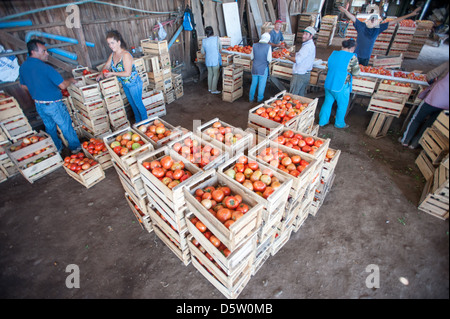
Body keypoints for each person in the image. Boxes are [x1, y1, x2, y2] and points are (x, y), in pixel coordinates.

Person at [19, 39, 81, 154]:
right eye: (44, 51)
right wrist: (71, 80)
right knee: (65, 126)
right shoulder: (45, 68)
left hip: (39, 104)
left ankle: (57, 149)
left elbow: (23, 86)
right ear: (33, 52)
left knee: (50, 128)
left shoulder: (23, 67)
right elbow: (62, 86)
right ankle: (76, 149)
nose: (47, 54)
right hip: (54, 104)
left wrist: (37, 90)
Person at [338, 6, 422, 66]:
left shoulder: (377, 29)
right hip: (355, 55)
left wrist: (410, 15)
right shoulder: (361, 26)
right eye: (371, 19)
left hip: (366, 57)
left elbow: (395, 21)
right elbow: (353, 18)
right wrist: (345, 11)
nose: (373, 21)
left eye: (375, 20)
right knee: (351, 70)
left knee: (361, 72)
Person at [97, 30, 147, 123]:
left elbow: (127, 73)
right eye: (109, 44)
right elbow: (107, 65)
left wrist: (112, 74)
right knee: (132, 104)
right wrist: (101, 73)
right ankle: (138, 123)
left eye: (112, 43)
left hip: (134, 83)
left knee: (138, 104)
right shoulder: (112, 55)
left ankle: (146, 124)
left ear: (119, 42)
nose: (111, 46)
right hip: (125, 84)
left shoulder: (126, 55)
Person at [399, 61, 449, 149]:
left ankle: (405, 140)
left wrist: (432, 84)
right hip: (446, 105)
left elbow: (430, 75)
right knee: (429, 124)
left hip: (434, 98)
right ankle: (414, 144)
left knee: (417, 119)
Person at [318, 38, 360, 129]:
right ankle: (339, 123)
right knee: (342, 105)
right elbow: (356, 73)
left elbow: (326, 69)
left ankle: (322, 121)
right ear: (352, 48)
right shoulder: (352, 57)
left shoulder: (333, 54)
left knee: (327, 103)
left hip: (329, 83)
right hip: (341, 86)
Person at [286, 26, 316, 97]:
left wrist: (286, 56)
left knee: (293, 96)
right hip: (306, 74)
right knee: (300, 96)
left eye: (306, 34)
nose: (303, 36)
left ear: (311, 36)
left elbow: (297, 60)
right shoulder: (310, 45)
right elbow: (302, 55)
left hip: (299, 75)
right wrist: (292, 54)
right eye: (303, 34)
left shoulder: (307, 47)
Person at [249, 32, 272, 103]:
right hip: (263, 69)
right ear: (268, 40)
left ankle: (251, 98)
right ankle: (259, 100)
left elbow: (251, 57)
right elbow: (269, 60)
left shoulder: (254, 45)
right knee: (261, 85)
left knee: (253, 83)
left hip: (254, 68)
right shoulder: (268, 47)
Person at [201, 26, 222, 94]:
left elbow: (202, 52)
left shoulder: (204, 41)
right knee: (216, 74)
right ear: (213, 32)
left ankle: (209, 88)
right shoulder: (217, 38)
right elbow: (220, 49)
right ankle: (214, 90)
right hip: (215, 59)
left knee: (210, 74)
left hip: (208, 60)